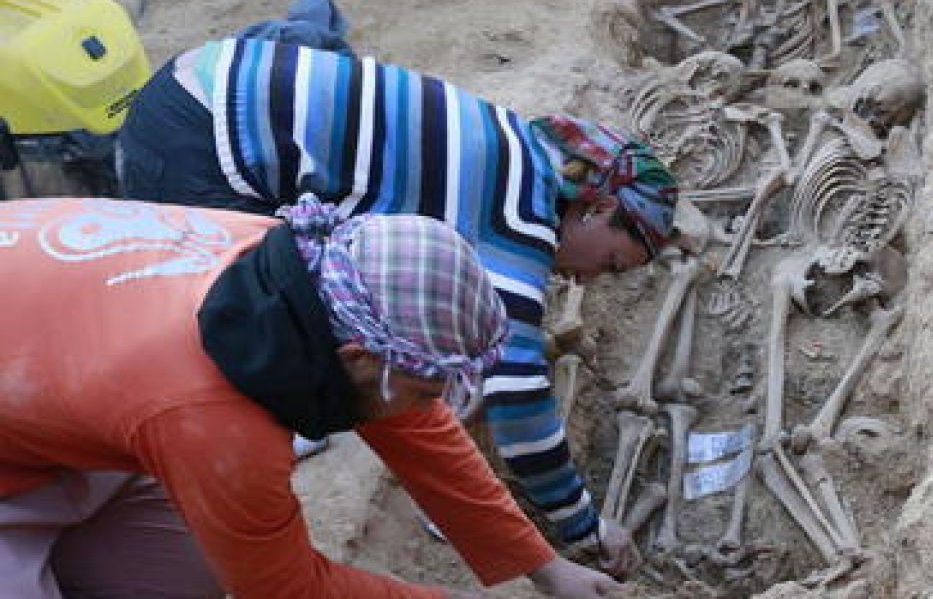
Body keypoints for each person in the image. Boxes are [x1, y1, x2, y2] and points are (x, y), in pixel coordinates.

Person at [116, 35, 679, 570]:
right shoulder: (522, 217)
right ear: (597, 208)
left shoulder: (517, 150)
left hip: (208, 80)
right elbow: (516, 389)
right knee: (250, 328)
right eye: (608, 262)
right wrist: (582, 526)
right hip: (199, 134)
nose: (585, 282)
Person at [0, 194, 622, 598]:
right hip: (60, 417)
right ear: (358, 358)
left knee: (188, 582)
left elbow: (412, 423)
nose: (429, 405)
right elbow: (288, 591)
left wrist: (547, 568)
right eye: (425, 386)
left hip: (56, 399)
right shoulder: (217, 423)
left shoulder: (306, 267)